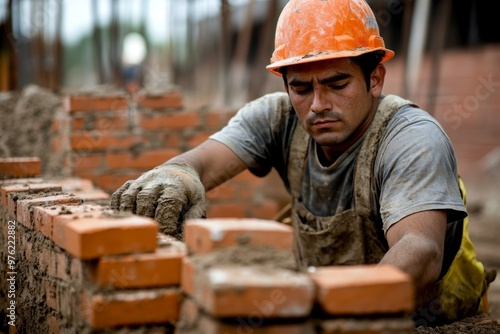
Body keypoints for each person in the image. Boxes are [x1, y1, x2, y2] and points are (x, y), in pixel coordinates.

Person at [111, 0, 492, 326]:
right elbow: (203, 163)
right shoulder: (278, 118)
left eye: (337, 84)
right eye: (301, 88)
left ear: (375, 78)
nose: (318, 104)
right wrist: (177, 174)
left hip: (427, 320)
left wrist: (336, 310)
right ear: (286, 84)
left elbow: (420, 251)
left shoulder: (411, 138)